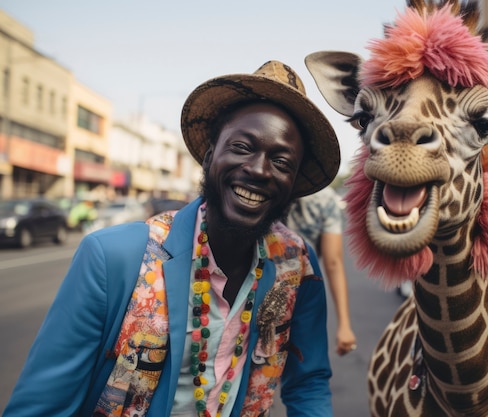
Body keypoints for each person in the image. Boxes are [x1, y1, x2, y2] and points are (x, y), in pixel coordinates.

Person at [3, 60, 341, 417]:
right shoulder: (113, 256)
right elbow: (41, 407)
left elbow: (309, 382)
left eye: (282, 162)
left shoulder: (296, 266)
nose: (258, 169)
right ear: (210, 156)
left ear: (293, 185)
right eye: (242, 147)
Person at [286, 187, 357, 356]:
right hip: (302, 296)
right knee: (306, 371)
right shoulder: (325, 197)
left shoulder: (267, 181)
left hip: (257, 290)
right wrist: (344, 325)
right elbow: (333, 262)